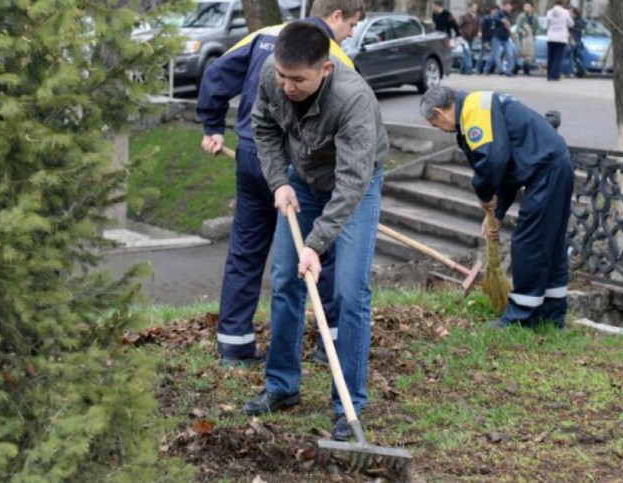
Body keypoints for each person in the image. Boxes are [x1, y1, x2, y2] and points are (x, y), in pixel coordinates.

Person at [196, 0, 365, 368]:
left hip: (250, 156)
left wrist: (212, 125)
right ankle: (329, 341)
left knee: (246, 248)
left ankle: (234, 345)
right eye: (351, 25)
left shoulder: (262, 36)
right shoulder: (333, 58)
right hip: (295, 166)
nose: (350, 34)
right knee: (319, 251)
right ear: (336, 16)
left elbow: (216, 74)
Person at [244, 22, 388, 442]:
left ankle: (349, 405)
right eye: (282, 75)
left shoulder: (353, 99)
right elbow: (264, 127)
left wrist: (316, 244)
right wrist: (279, 181)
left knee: (349, 291)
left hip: (354, 187)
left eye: (298, 80)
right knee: (287, 278)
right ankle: (282, 385)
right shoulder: (275, 76)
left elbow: (351, 182)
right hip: (301, 180)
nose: (286, 85)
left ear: (325, 69)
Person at [419, 86, 574, 329]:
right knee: (549, 245)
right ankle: (552, 315)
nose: (440, 129)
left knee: (529, 244)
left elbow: (493, 161)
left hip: (547, 172)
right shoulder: (479, 105)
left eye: (436, 124)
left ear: (440, 112)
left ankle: (521, 316)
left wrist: (484, 192)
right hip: (552, 168)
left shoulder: (473, 112)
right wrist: (498, 211)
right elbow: (508, 167)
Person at [483, 2, 515, 76]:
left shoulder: (509, 15)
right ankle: (487, 70)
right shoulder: (499, 13)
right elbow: (495, 18)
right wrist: (501, 20)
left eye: (510, 6)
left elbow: (510, 25)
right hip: (497, 37)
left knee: (510, 54)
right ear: (504, 6)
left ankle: (508, 71)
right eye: (508, 6)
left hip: (506, 38)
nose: (510, 8)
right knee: (494, 55)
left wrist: (511, 34)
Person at [545, 0, 573, 81]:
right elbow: (571, 24)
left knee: (550, 57)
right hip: (561, 38)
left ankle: (549, 75)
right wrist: (570, 16)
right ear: (562, 4)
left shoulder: (549, 12)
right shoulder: (566, 12)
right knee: (558, 57)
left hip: (551, 37)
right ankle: (555, 75)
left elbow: (546, 24)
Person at [457, 3, 481, 75]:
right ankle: (468, 69)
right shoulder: (464, 16)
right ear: (470, 8)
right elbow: (459, 26)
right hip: (464, 37)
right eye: (474, 7)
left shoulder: (476, 17)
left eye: (476, 7)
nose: (475, 9)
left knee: (466, 54)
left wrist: (478, 33)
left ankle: (462, 70)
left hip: (471, 38)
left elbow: (477, 26)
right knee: (468, 53)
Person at [515, 1, 537, 76]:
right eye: (525, 6)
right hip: (523, 37)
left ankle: (527, 68)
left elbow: (537, 28)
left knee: (530, 54)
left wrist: (535, 34)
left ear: (532, 8)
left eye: (528, 6)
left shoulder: (534, 17)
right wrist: (522, 31)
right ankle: (523, 68)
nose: (526, 8)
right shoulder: (521, 16)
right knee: (523, 53)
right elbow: (518, 27)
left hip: (530, 37)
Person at [478, 4, 500, 74]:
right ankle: (478, 69)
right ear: (491, 11)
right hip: (486, 38)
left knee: (493, 54)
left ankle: (491, 69)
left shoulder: (497, 19)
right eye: (495, 11)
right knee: (482, 54)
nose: (496, 12)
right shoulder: (486, 18)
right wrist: (484, 41)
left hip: (494, 39)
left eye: (497, 11)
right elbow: (482, 29)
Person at [567, 7, 587, 78]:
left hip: (574, 41)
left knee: (571, 57)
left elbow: (570, 27)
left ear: (573, 13)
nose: (569, 13)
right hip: (578, 40)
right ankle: (580, 71)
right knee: (576, 57)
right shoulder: (581, 20)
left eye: (570, 12)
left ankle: (579, 71)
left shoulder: (574, 21)